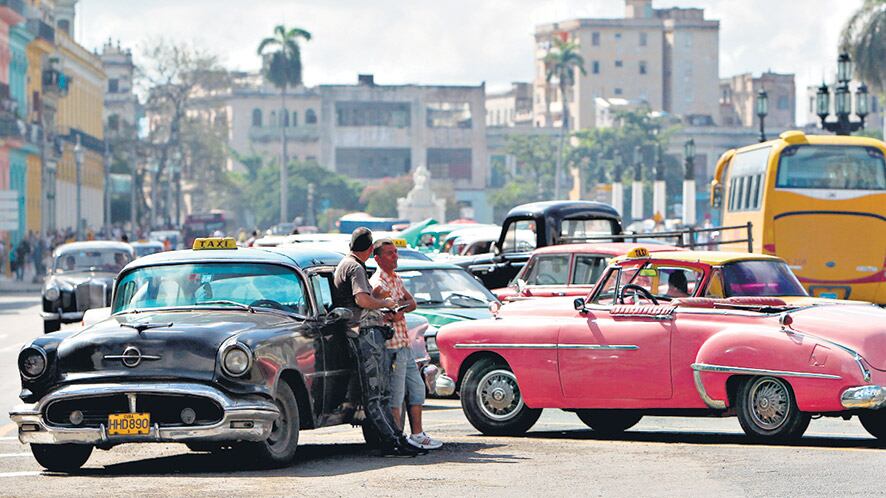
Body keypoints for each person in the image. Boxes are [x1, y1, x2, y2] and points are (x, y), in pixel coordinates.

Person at [332, 227, 425, 457]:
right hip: (364, 332)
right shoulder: (354, 267)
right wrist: (385, 303)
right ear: (371, 249)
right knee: (376, 394)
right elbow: (362, 299)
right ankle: (392, 440)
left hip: (363, 332)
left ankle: (395, 437)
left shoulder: (348, 264)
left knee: (381, 393)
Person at [369, 239, 442, 450]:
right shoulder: (378, 282)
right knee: (396, 393)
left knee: (417, 388)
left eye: (395, 253)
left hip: (404, 343)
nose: (395, 257)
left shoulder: (396, 279)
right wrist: (389, 310)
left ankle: (417, 434)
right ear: (378, 258)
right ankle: (396, 437)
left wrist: (400, 309)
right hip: (391, 345)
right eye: (390, 254)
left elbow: (411, 303)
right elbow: (376, 307)